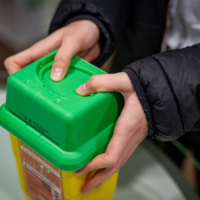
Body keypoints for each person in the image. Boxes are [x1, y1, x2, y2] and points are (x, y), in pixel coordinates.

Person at [4, 0, 200, 195]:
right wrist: (91, 16)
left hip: (162, 84)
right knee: (159, 157)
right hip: (137, 69)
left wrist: (160, 88)